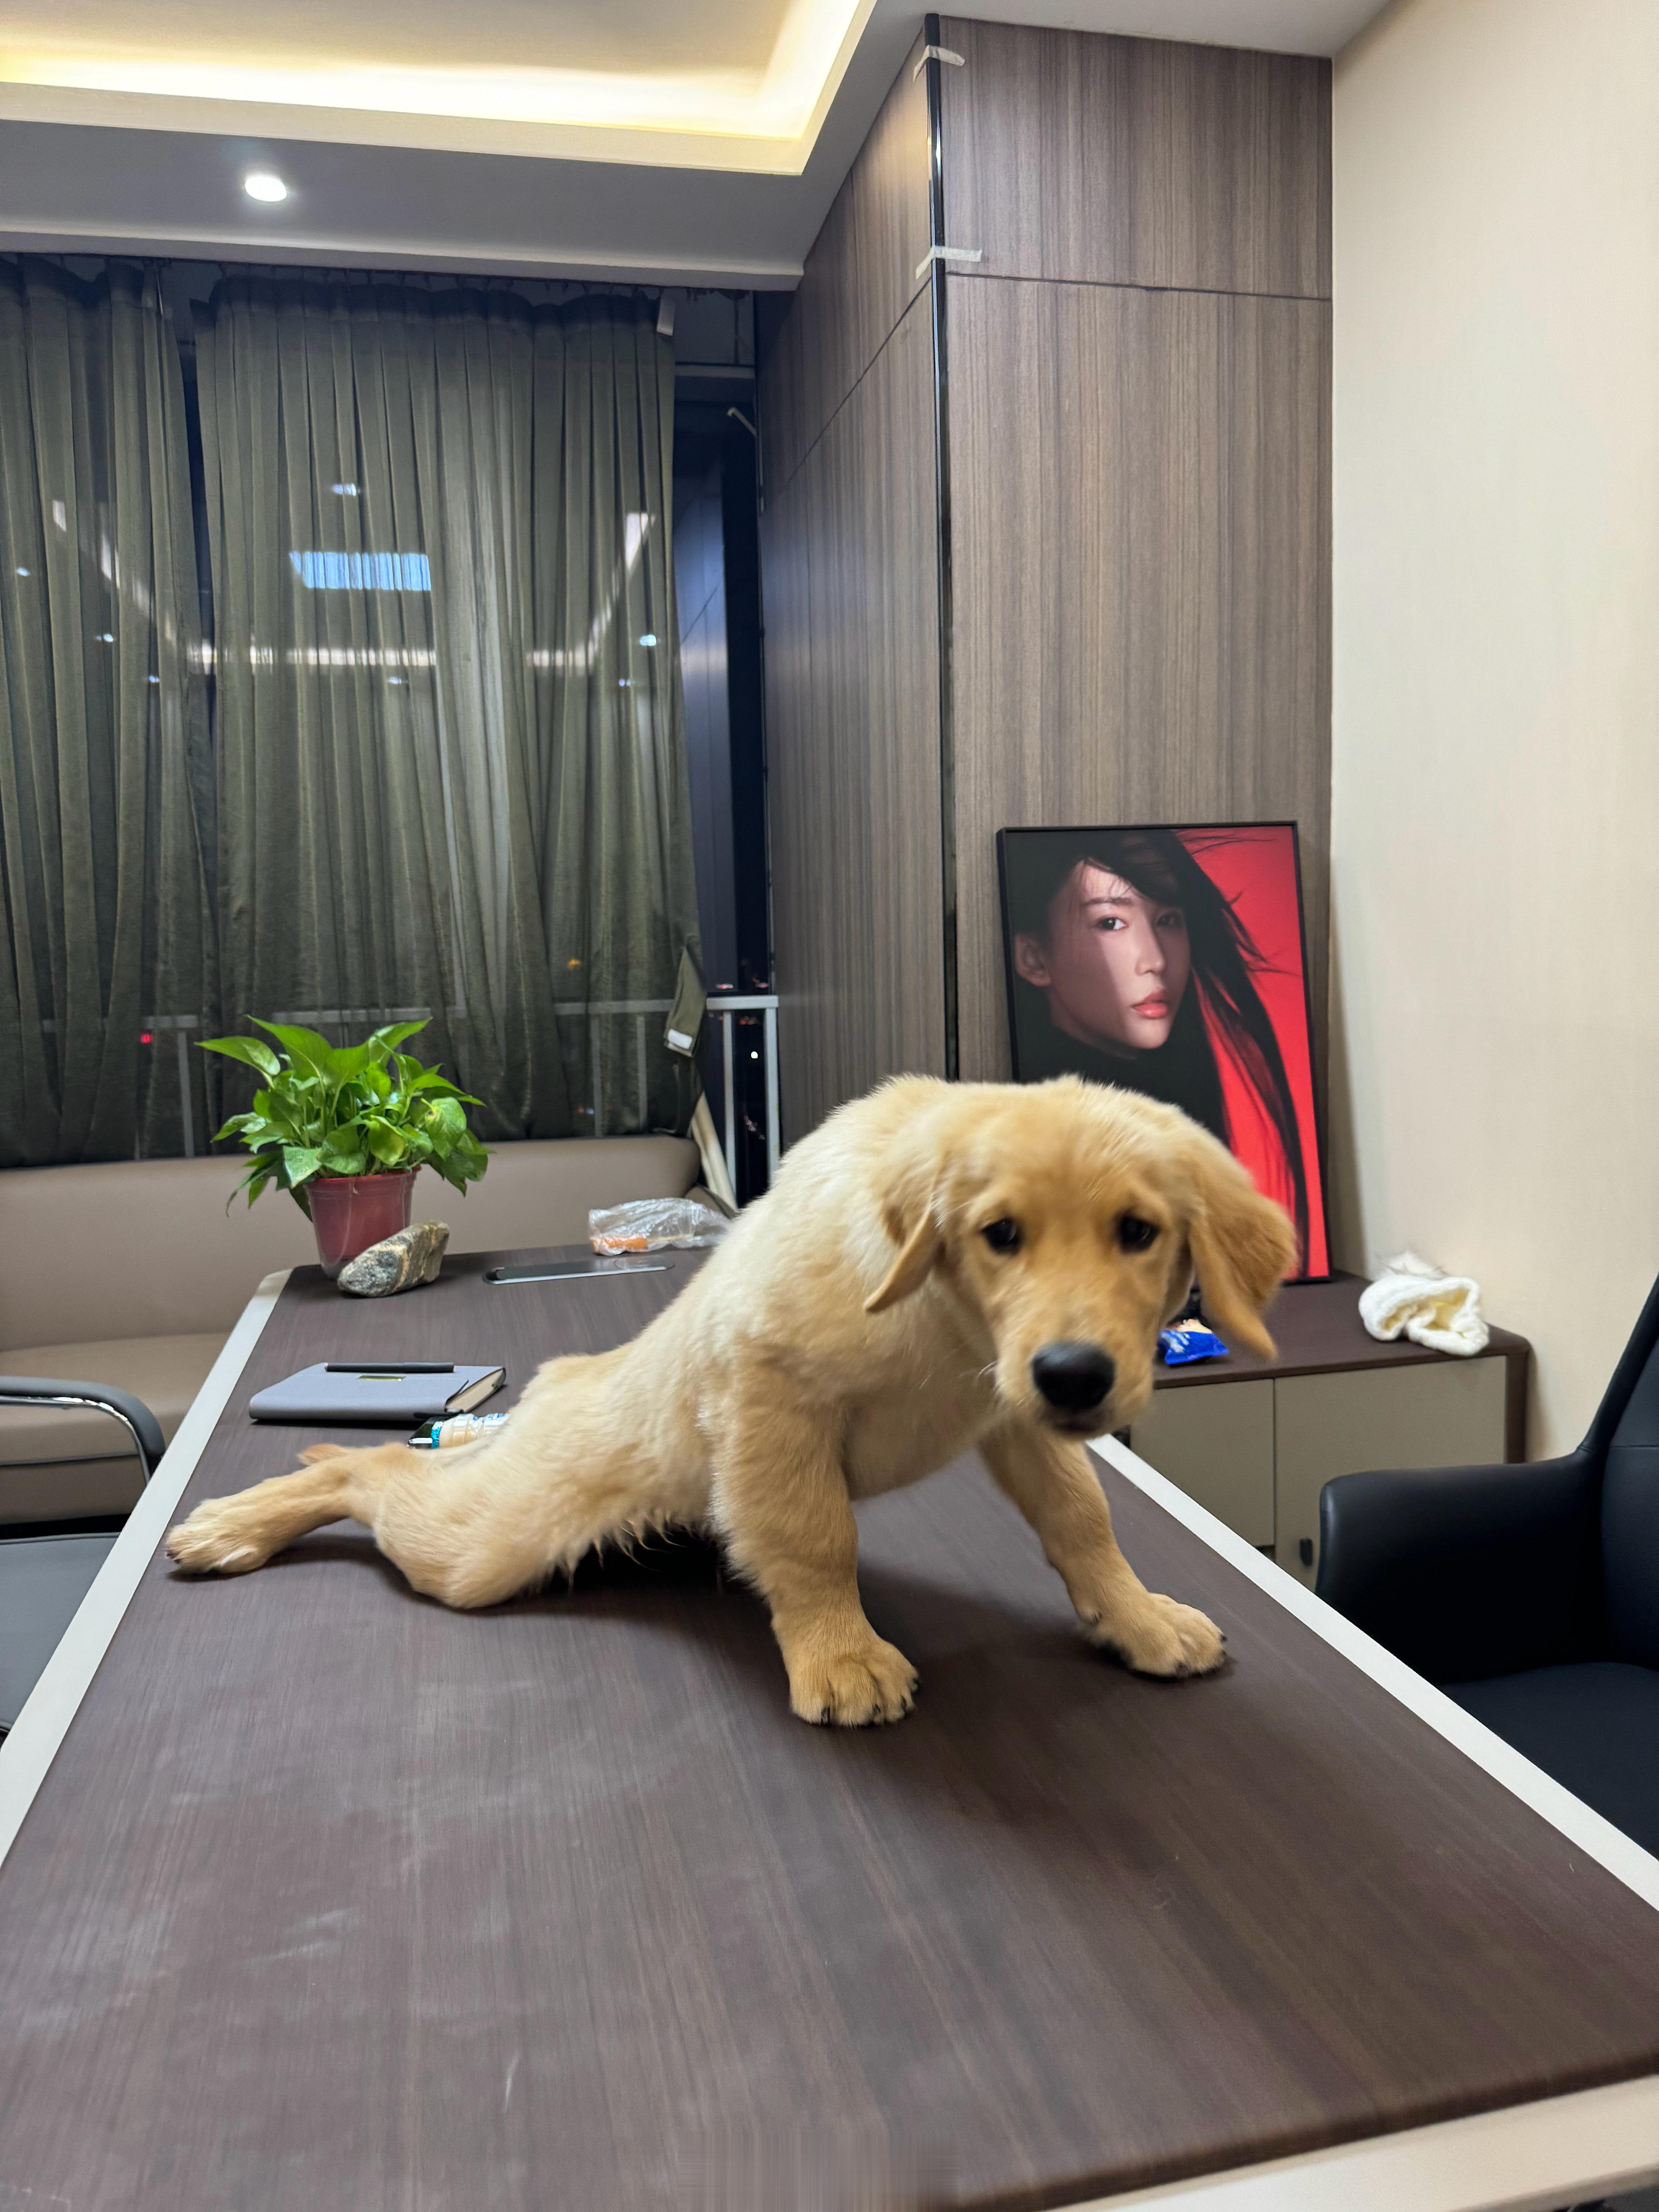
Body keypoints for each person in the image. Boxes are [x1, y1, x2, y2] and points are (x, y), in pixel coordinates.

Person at [1003, 826, 1313, 1270]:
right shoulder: (1040, 1142)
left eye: (1168, 920)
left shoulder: (1178, 1108)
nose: (1156, 960)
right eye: (1111, 923)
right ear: (1034, 958)